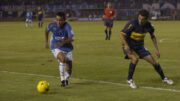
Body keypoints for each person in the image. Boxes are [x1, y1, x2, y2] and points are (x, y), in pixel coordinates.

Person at [120, 9, 173, 88]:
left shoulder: (149, 26)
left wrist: (157, 49)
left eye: (143, 19)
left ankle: (164, 78)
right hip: (130, 47)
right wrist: (126, 45)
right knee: (135, 58)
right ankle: (129, 79)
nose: (141, 21)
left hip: (140, 48)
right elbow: (121, 34)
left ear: (147, 19)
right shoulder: (132, 24)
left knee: (154, 62)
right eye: (140, 18)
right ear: (138, 16)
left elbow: (153, 37)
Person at [45, 12, 74, 87]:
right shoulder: (52, 25)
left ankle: (66, 79)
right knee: (62, 59)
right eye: (57, 20)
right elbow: (46, 30)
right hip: (55, 47)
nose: (58, 22)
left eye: (60, 20)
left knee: (69, 70)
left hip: (67, 48)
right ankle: (62, 80)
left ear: (64, 20)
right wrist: (46, 42)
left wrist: (62, 43)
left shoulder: (67, 26)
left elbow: (72, 38)